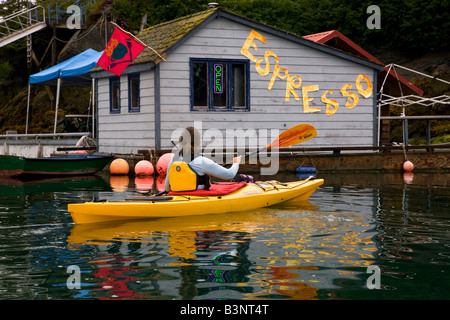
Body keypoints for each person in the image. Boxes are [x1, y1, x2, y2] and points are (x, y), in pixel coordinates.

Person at [165, 126, 242, 192]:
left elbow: (167, 188)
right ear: (198, 142)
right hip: (197, 199)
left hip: (178, 198)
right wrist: (236, 162)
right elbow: (229, 175)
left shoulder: (173, 160)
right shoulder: (201, 161)